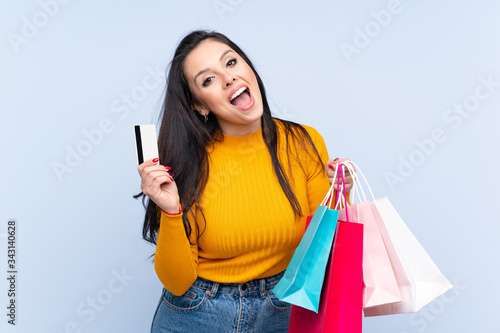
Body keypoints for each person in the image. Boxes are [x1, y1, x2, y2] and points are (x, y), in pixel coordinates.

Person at [136, 30, 353, 333]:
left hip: (283, 307)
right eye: (207, 80)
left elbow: (320, 251)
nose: (228, 78)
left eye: (231, 62)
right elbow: (177, 281)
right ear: (200, 105)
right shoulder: (185, 161)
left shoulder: (303, 142)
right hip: (199, 313)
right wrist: (171, 210)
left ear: (248, 67)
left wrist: (339, 195)